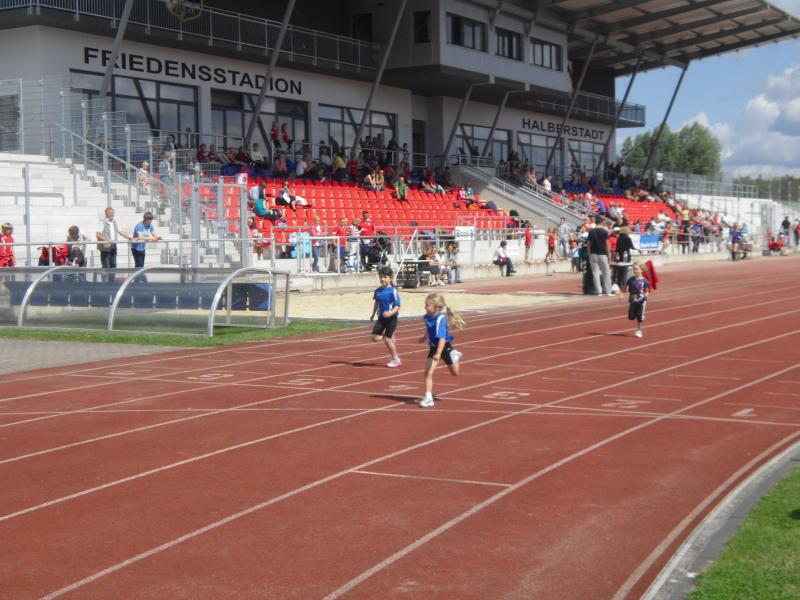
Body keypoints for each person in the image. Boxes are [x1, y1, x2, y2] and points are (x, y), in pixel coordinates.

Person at [418, 293, 465, 408]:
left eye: (427, 305)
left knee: (454, 373)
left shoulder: (441, 319)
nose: (425, 307)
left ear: (436, 307)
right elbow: (429, 328)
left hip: (444, 347)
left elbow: (442, 338)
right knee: (428, 372)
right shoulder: (427, 317)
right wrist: (424, 337)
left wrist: (439, 353)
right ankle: (428, 397)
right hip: (433, 347)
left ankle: (454, 357)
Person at [370, 266, 402, 368]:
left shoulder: (393, 291)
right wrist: (373, 314)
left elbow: (397, 306)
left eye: (385, 277)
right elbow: (376, 303)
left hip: (391, 318)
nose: (382, 279)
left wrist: (390, 313)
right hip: (381, 318)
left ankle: (396, 359)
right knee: (374, 337)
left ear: (391, 278)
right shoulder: (377, 291)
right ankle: (389, 335)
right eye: (381, 277)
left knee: (387, 340)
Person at [619, 262, 650, 338]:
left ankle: (639, 330)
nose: (634, 271)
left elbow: (647, 291)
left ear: (641, 270)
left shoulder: (645, 281)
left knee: (639, 316)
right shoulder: (631, 279)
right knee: (631, 317)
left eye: (636, 269)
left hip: (641, 301)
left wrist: (645, 295)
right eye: (634, 269)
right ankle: (639, 314)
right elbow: (625, 288)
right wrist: (621, 294)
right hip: (633, 301)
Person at [587, 215, 612, 295]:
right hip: (602, 254)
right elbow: (607, 244)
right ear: (602, 222)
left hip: (593, 254)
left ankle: (599, 291)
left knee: (595, 273)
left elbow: (589, 244)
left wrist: (589, 253)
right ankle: (608, 291)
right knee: (606, 272)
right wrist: (609, 255)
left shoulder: (591, 232)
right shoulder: (604, 232)